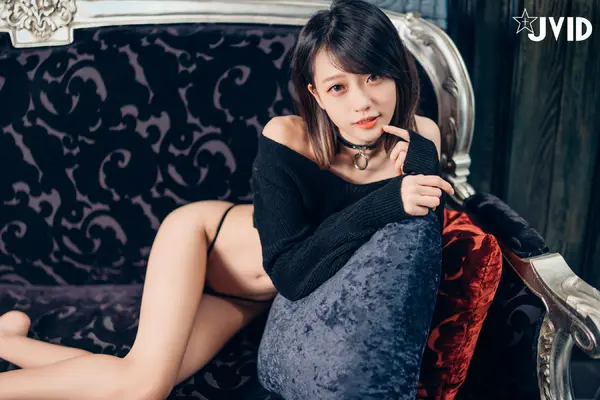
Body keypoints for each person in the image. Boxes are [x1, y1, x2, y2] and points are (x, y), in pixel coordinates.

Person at [0, 1, 453, 399]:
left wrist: (410, 173)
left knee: (138, 378)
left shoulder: (422, 136)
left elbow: (415, 239)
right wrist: (387, 199)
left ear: (397, 71)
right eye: (339, 87)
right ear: (316, 95)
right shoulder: (287, 136)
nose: (363, 102)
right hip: (203, 244)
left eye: (374, 76)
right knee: (143, 386)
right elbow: (290, 273)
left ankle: (10, 342)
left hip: (254, 297)